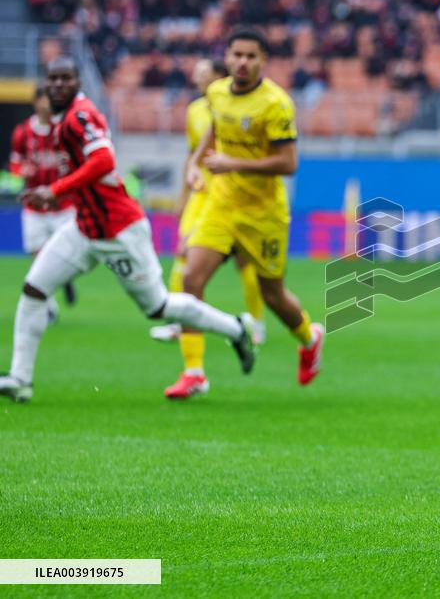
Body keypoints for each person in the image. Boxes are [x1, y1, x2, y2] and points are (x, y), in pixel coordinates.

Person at [0, 57, 256, 403]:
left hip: (119, 231)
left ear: (78, 82)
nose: (58, 85)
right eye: (53, 79)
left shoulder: (79, 116)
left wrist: (56, 190)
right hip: (84, 228)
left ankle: (236, 329)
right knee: (34, 289)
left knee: (158, 307)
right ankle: (20, 379)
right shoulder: (65, 118)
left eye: (66, 78)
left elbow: (104, 160)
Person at [164, 26, 324, 400]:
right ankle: (194, 372)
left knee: (272, 295)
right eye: (237, 54)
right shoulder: (217, 93)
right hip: (222, 204)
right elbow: (214, 132)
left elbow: (288, 163)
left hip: (263, 212)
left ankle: (308, 337)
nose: (243, 62)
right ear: (228, 56)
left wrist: (231, 162)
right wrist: (195, 164)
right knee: (191, 280)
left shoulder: (276, 104)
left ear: (263, 61)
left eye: (251, 56)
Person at [150, 58, 267, 345]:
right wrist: (183, 194)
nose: (197, 78)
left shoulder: (236, 106)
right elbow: (193, 155)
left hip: (231, 194)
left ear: (218, 77)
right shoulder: (193, 111)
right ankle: (181, 321)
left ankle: (257, 322)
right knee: (182, 256)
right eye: (196, 72)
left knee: (246, 264)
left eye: (203, 73)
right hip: (201, 194)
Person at [9, 87, 77, 319]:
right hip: (34, 207)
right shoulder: (23, 132)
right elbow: (15, 163)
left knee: (64, 255)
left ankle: (66, 280)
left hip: (62, 206)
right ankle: (49, 306)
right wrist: (22, 170)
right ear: (36, 102)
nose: (47, 104)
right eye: (43, 99)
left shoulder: (64, 129)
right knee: (38, 258)